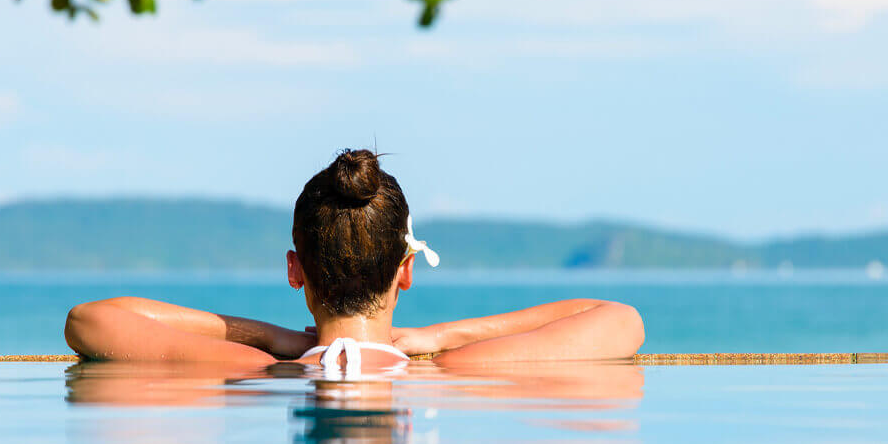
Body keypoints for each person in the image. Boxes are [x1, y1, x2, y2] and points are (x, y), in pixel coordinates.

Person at [64, 149, 644, 370]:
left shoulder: (255, 370)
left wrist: (267, 337)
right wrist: (444, 337)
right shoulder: (459, 372)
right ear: (406, 271)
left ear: (296, 271)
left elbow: (90, 319)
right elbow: (618, 318)